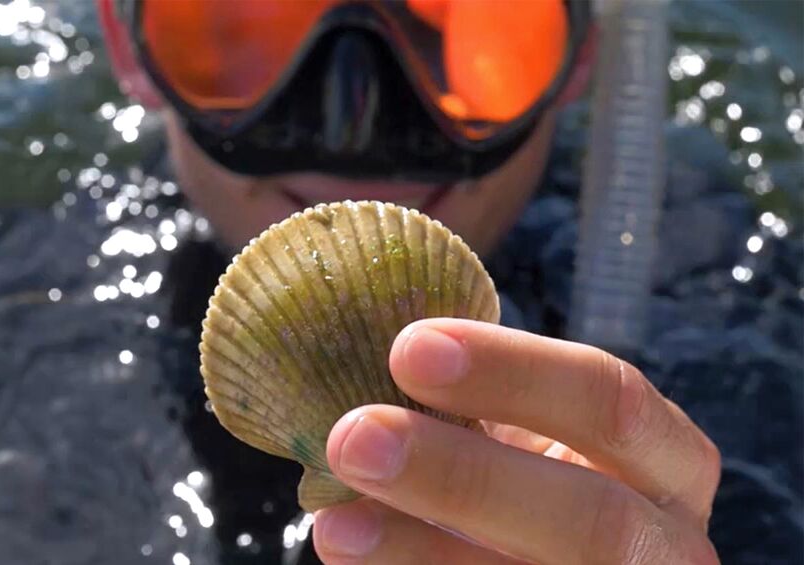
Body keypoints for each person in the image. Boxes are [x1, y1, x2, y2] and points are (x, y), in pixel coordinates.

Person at [99, 1, 726, 563]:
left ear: (582, 55)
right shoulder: (13, 308)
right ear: (126, 45)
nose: (357, 119)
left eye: (458, 14)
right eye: (263, 15)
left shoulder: (732, 309)